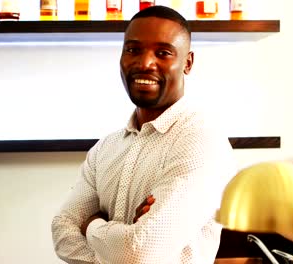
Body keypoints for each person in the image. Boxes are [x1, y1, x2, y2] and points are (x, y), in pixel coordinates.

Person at [51, 5, 236, 264]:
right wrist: (118, 246)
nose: (145, 63)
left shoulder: (202, 142)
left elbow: (139, 253)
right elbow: (62, 231)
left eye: (163, 53)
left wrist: (91, 225)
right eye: (133, 50)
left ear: (188, 63)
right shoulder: (106, 147)